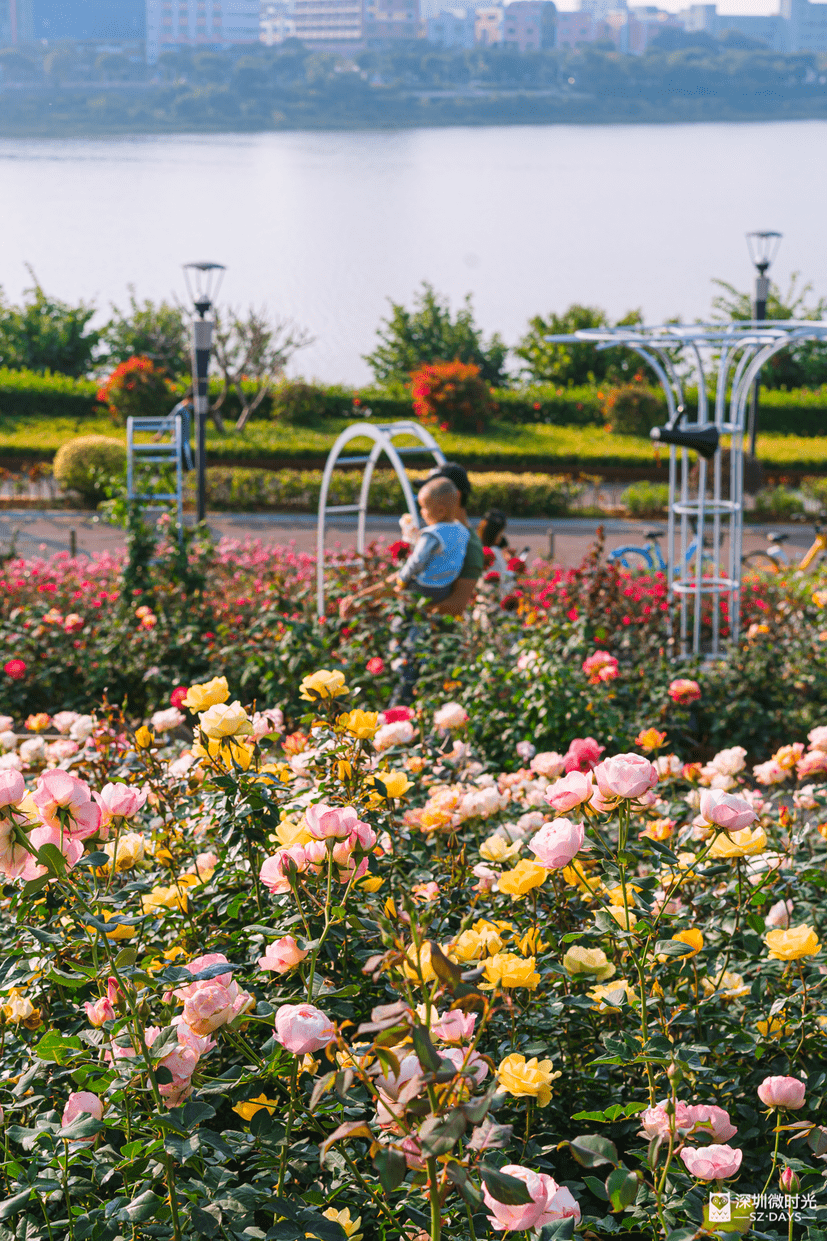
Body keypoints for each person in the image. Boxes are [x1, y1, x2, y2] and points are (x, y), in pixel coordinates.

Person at [342, 477, 469, 612]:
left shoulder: (431, 534)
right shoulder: (462, 531)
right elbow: (444, 553)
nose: (421, 512)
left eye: (424, 508)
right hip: (445, 587)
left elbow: (417, 560)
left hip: (424, 586)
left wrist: (402, 579)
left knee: (404, 608)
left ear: (440, 511)